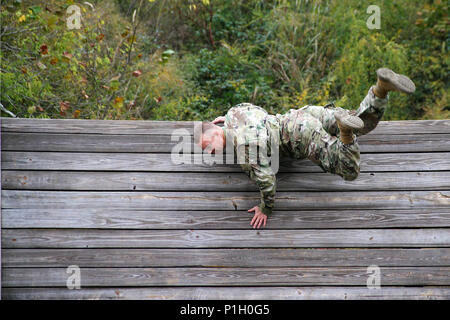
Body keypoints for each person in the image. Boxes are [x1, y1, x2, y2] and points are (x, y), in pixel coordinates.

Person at [194, 68, 415, 229]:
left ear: (214, 130)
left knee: (349, 169)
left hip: (299, 135)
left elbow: (268, 181)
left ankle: (345, 134)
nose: (210, 152)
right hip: (303, 113)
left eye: (208, 145)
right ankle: (380, 90)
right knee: (361, 121)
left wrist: (265, 207)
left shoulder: (245, 151)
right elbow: (254, 111)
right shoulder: (235, 111)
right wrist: (228, 118)